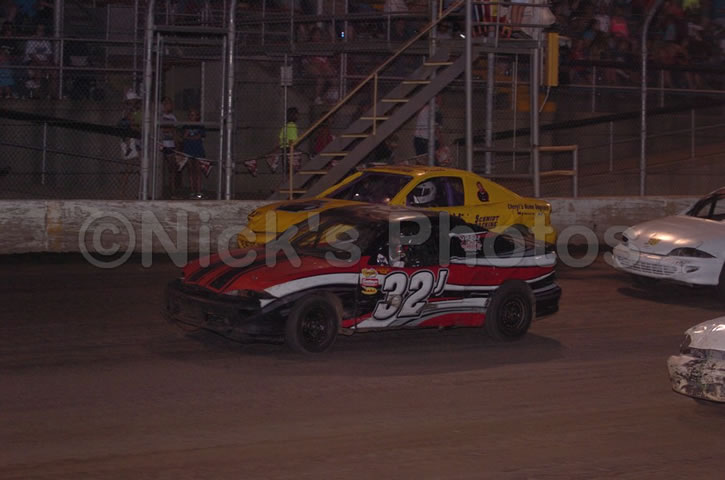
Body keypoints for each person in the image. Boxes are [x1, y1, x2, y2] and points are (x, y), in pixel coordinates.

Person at [182, 108, 208, 199]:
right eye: (190, 115)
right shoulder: (186, 126)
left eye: (193, 115)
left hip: (197, 150)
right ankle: (192, 191)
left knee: (198, 170)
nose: (191, 117)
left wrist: (190, 137)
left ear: (197, 116)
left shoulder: (200, 126)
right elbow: (184, 136)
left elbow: (199, 137)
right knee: (190, 170)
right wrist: (188, 133)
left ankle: (199, 191)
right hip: (188, 150)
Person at [160, 96, 180, 198]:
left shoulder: (173, 117)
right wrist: (168, 129)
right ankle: (159, 190)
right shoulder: (160, 116)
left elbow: (175, 131)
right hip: (161, 144)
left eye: (170, 103)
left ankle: (172, 190)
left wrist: (176, 144)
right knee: (160, 167)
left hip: (170, 144)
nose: (170, 105)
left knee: (172, 167)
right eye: (167, 103)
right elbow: (162, 129)